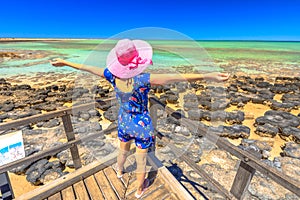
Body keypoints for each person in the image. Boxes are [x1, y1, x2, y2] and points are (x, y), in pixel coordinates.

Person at [50, 39, 229, 198]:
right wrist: (209, 75)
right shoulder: (143, 79)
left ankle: (119, 172)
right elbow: (176, 77)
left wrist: (65, 62)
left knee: (122, 151)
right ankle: (138, 190)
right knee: (141, 161)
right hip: (142, 125)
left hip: (123, 121)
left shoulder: (111, 76)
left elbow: (88, 68)